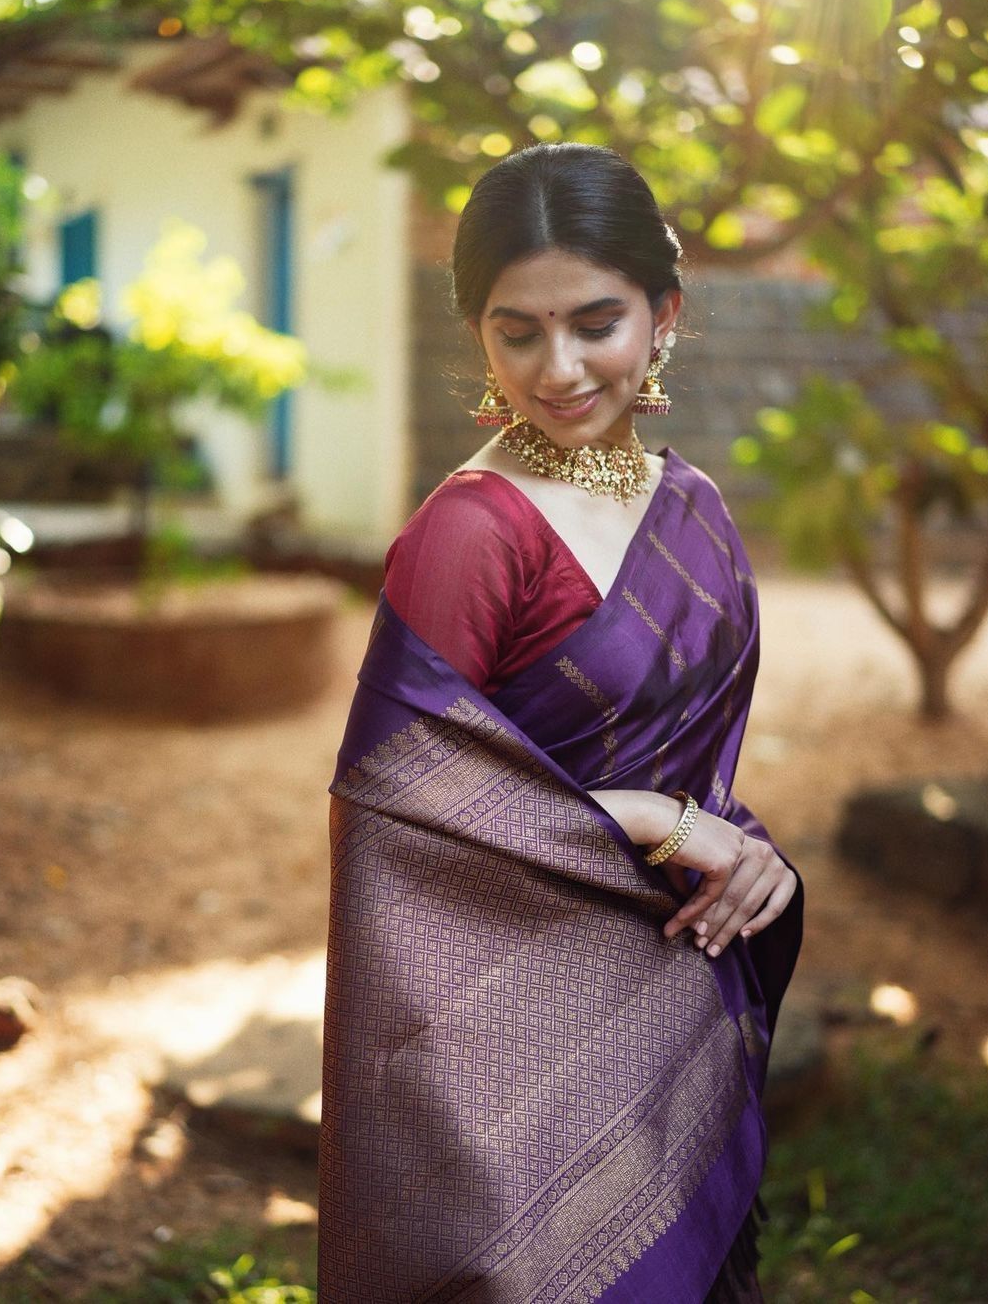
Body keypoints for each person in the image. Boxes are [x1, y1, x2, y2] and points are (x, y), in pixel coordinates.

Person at [319, 142, 804, 1303]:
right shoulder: (473, 533)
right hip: (504, 1043)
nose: (562, 369)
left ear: (664, 314)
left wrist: (749, 857)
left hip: (678, 991)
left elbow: (701, 771)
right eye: (518, 332)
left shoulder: (693, 506)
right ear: (478, 335)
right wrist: (644, 818)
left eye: (597, 323)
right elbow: (392, 819)